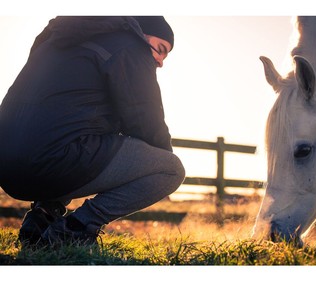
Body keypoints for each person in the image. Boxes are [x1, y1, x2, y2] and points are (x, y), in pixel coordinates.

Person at [0, 16, 185, 246]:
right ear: (140, 32)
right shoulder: (130, 45)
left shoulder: (56, 40)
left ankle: (41, 219)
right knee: (171, 170)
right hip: (49, 162)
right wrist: (163, 160)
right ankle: (76, 229)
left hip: (6, 168)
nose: (160, 62)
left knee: (72, 134)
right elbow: (144, 118)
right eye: (160, 49)